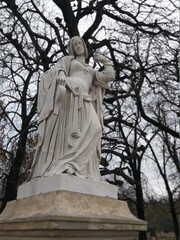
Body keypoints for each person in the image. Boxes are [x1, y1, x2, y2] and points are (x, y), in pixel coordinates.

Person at [30, 36, 115, 181]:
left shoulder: (92, 70)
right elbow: (59, 69)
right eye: (74, 44)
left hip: (85, 100)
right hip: (70, 95)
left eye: (79, 43)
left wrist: (105, 61)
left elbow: (109, 77)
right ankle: (66, 165)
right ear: (72, 48)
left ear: (84, 46)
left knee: (96, 128)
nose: (77, 45)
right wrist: (61, 74)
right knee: (69, 134)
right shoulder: (69, 60)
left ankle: (75, 164)